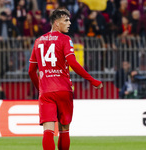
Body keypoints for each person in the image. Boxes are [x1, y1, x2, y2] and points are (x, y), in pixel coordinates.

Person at [28, 8, 103, 150]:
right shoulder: (65, 39)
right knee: (64, 130)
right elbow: (73, 63)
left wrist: (40, 88)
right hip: (63, 89)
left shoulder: (38, 41)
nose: (69, 23)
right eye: (66, 20)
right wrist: (93, 80)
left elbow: (31, 71)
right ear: (56, 23)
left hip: (46, 92)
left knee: (48, 131)